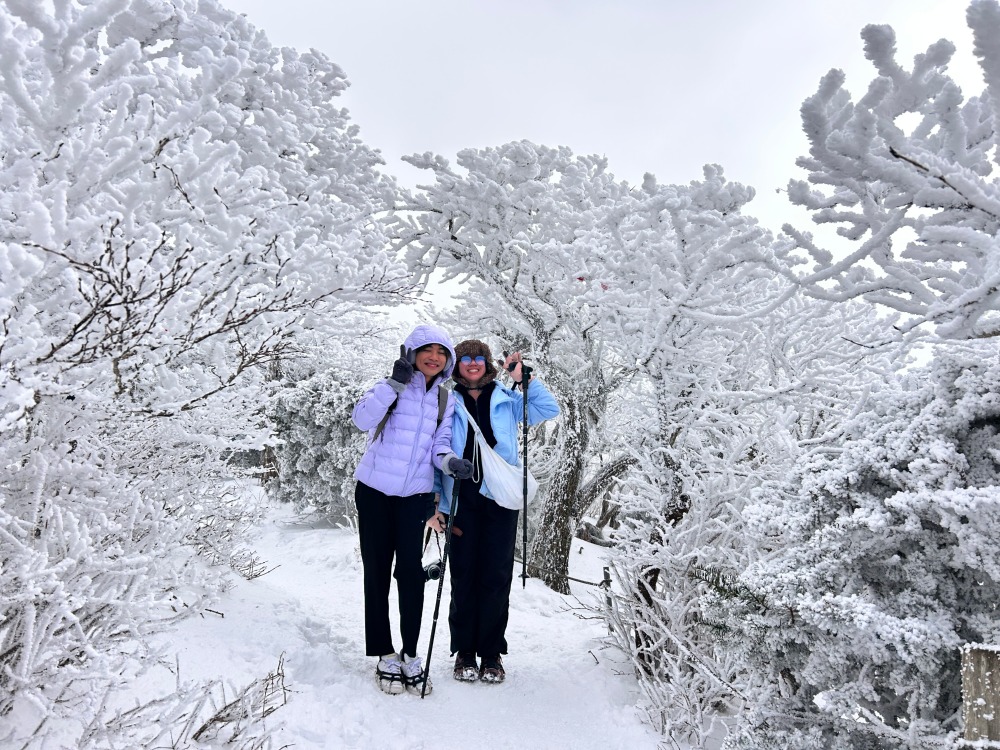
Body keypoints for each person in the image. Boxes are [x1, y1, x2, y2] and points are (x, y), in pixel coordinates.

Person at [352, 324, 474, 696]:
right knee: (376, 572)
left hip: (415, 497)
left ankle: (410, 652)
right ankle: (384, 652)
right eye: (427, 349)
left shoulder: (445, 399)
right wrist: (393, 385)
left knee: (410, 574)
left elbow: (438, 444)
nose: (434, 357)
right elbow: (361, 420)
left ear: (448, 360)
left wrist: (450, 461)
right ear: (413, 352)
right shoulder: (391, 386)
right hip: (373, 490)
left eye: (442, 352)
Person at [428, 339, 559, 684]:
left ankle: (491, 653)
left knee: (497, 576)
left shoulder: (506, 398)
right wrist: (436, 502)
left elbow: (547, 410)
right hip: (459, 498)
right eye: (466, 358)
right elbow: (433, 450)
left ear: (488, 364)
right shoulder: (445, 399)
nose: (473, 364)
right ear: (457, 365)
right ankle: (464, 652)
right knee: (464, 574)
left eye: (479, 359)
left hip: (499, 498)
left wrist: (524, 379)